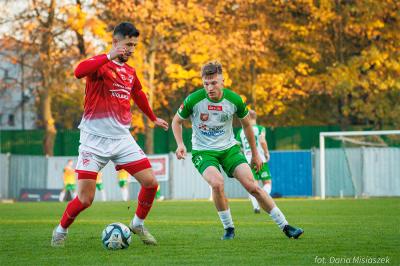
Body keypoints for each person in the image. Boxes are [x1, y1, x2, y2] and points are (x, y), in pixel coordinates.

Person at [51, 22, 169, 247]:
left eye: (134, 45)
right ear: (116, 42)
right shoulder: (99, 65)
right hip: (93, 141)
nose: (131, 50)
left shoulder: (130, 72)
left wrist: (152, 117)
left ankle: (137, 223)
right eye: (128, 44)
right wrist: (109, 55)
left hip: (122, 139)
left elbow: (139, 94)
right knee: (85, 200)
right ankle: (61, 230)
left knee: (151, 183)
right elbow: (78, 72)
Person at [171, 61, 303, 240]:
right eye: (206, 84)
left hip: (229, 149)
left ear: (223, 81)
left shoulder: (234, 100)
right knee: (217, 184)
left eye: (214, 83)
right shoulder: (193, 99)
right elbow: (176, 121)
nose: (210, 87)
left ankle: (286, 226)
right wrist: (180, 144)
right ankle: (229, 229)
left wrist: (256, 154)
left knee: (253, 187)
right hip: (203, 152)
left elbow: (247, 125)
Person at [236, 110, 272, 213]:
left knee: (253, 184)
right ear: (255, 117)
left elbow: (238, 146)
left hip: (248, 161)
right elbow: (262, 141)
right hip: (260, 159)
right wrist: (266, 152)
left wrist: (244, 154)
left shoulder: (241, 131)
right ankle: (263, 199)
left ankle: (256, 207)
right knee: (267, 182)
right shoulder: (260, 129)